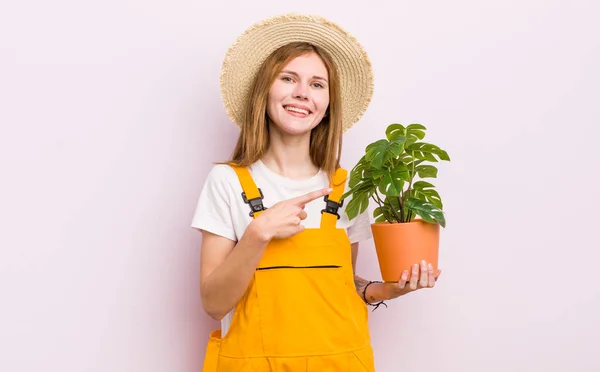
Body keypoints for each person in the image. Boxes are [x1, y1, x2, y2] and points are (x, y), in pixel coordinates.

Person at [191, 13, 439, 371]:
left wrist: (388, 289)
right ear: (265, 91)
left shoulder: (347, 185)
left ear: (326, 106)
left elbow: (341, 285)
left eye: (317, 84)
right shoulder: (227, 181)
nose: (302, 93)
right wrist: (258, 234)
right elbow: (213, 303)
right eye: (288, 78)